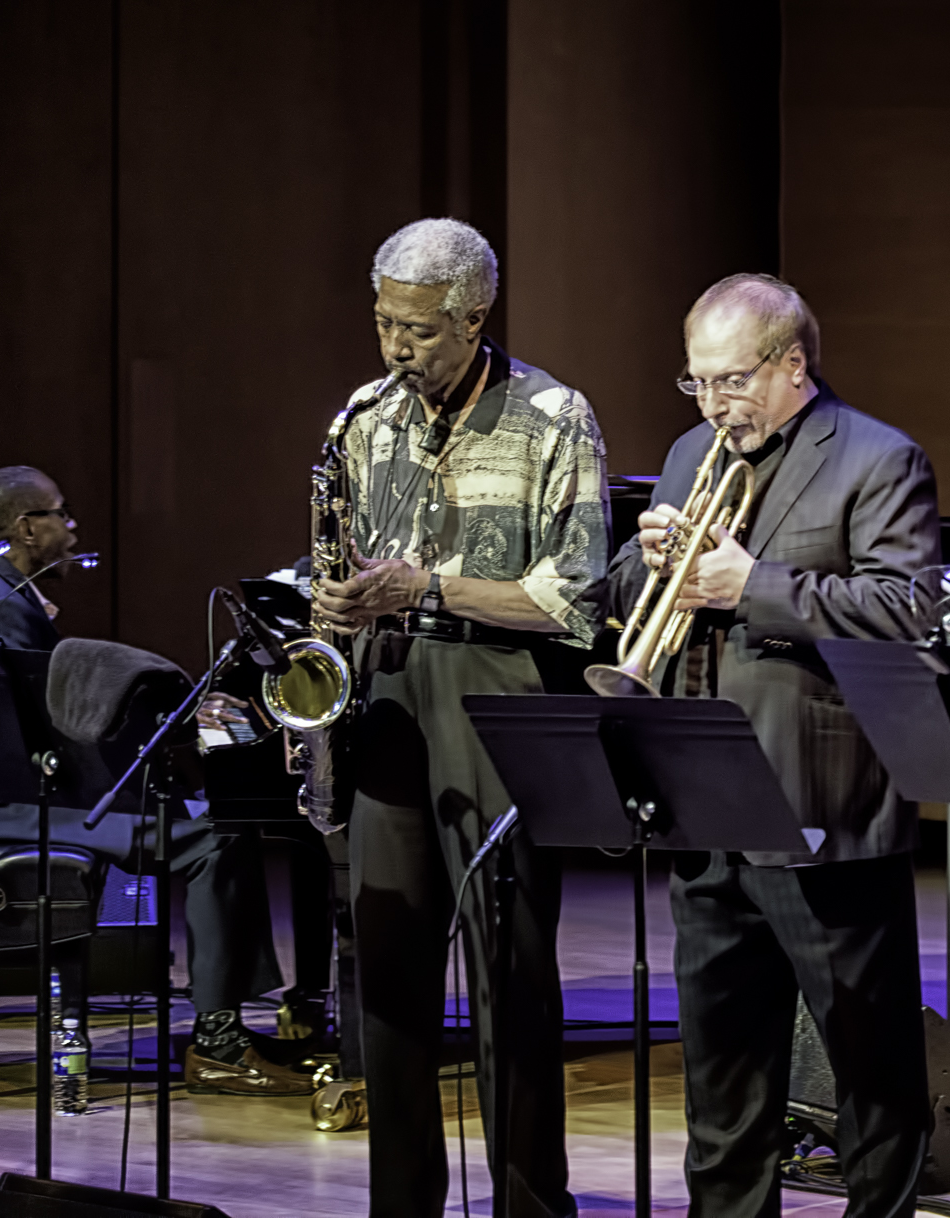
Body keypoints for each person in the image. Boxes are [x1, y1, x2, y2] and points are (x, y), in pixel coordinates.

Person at [606, 273, 936, 1218]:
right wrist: (649, 558)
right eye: (698, 383)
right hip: (705, 805)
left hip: (821, 808)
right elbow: (626, 591)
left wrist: (755, 585)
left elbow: (906, 609)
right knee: (721, 1077)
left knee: (869, 1071)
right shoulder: (687, 453)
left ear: (792, 365)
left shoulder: (878, 458)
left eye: (732, 382)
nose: (714, 406)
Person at [320, 218, 608, 1218]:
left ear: (473, 318)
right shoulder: (362, 418)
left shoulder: (554, 416)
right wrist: (333, 607)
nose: (394, 350)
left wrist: (429, 590)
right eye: (382, 325)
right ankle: (402, 1204)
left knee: (510, 984)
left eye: (417, 332)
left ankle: (532, 1205)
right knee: (389, 980)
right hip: (390, 705)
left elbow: (574, 599)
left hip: (502, 706)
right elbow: (350, 564)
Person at [0, 466, 303, 1096]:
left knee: (209, 819)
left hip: (18, 792)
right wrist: (168, 733)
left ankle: (229, 1021)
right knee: (215, 836)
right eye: (60, 515)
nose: (71, 529)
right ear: (25, 527)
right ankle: (218, 1044)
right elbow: (44, 737)